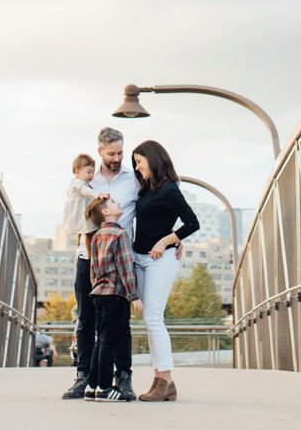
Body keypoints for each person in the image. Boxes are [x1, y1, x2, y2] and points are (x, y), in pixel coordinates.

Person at [62, 126, 140, 401]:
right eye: (111, 153)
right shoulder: (86, 180)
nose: (117, 157)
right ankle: (84, 376)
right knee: (85, 319)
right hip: (88, 258)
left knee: (120, 323)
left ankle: (123, 377)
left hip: (119, 260)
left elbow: (151, 211)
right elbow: (72, 212)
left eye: (120, 152)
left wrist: (172, 239)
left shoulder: (133, 179)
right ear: (100, 151)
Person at [130, 139, 198, 402]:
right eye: (135, 163)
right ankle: (160, 380)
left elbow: (192, 222)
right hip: (140, 258)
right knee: (149, 319)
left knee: (154, 317)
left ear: (153, 159)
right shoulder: (145, 190)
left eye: (139, 161)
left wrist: (167, 240)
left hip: (161, 258)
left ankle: (166, 379)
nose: (137, 167)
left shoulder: (170, 189)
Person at [83, 196, 139, 401]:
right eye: (115, 203)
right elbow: (125, 267)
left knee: (101, 340)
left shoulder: (97, 235)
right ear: (106, 212)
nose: (119, 204)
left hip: (98, 293)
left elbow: (93, 268)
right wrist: (133, 296)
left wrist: (95, 287)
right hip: (115, 294)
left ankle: (92, 385)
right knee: (109, 341)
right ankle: (105, 387)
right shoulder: (120, 234)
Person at [61, 152, 106, 254]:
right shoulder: (79, 183)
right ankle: (90, 254)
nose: (91, 175)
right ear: (77, 172)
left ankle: (80, 247)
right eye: (88, 172)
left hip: (79, 213)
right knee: (89, 232)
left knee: (83, 231)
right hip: (80, 213)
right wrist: (97, 195)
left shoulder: (78, 183)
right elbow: (85, 190)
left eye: (93, 172)